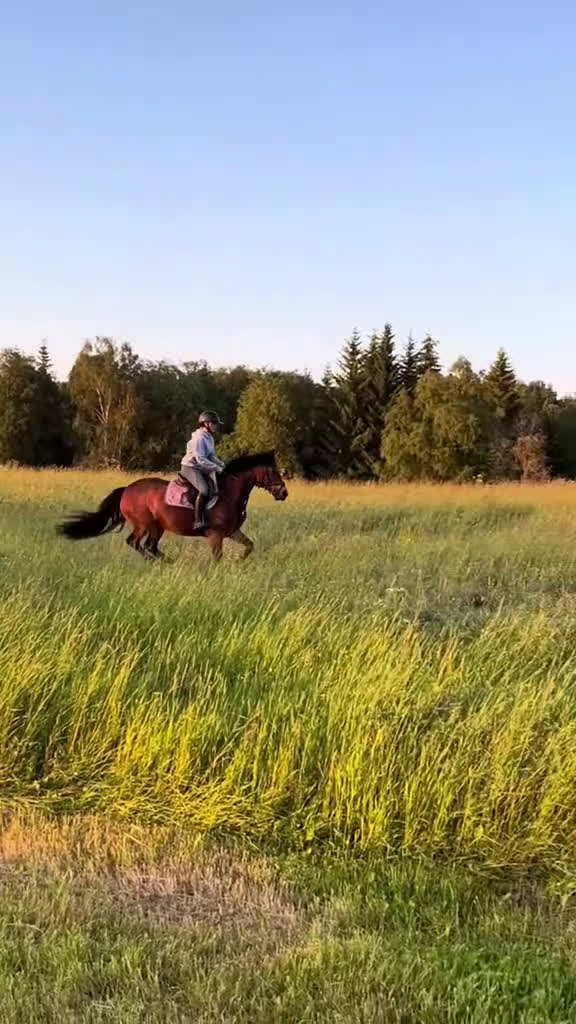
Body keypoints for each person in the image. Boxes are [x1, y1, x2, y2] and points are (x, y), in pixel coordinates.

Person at [180, 411, 225, 528]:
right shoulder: (199, 438)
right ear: (206, 423)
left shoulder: (209, 438)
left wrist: (222, 465)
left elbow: (212, 457)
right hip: (190, 467)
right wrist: (217, 468)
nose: (216, 426)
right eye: (214, 423)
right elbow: (201, 459)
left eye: (216, 424)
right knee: (204, 489)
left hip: (200, 467)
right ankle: (198, 520)